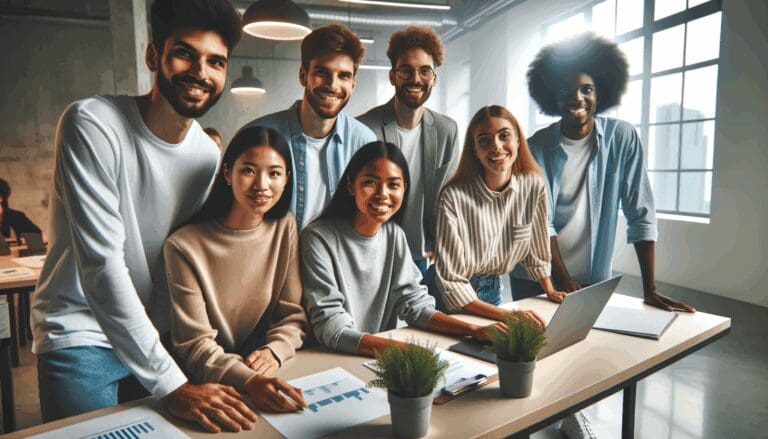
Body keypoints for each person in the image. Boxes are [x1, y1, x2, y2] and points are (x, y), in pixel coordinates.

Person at [30, 0, 260, 432]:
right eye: (185, 53)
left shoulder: (207, 155)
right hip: (81, 336)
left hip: (155, 335)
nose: (201, 72)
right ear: (154, 55)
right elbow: (102, 266)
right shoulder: (93, 123)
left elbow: (182, 254)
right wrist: (172, 384)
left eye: (216, 62)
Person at [301, 141, 528, 357]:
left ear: (404, 189)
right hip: (329, 359)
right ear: (351, 185)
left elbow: (416, 306)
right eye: (370, 182)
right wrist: (406, 351)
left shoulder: (394, 236)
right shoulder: (317, 238)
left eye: (393, 184)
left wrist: (473, 330)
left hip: (375, 355)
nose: (383, 193)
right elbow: (332, 328)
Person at [522, 32, 695, 313]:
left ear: (599, 92)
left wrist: (649, 290)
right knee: (538, 350)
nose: (577, 98)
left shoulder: (622, 137)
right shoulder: (535, 147)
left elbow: (640, 211)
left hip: (593, 276)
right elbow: (541, 222)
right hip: (537, 276)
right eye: (567, 91)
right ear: (554, 98)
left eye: (586, 89)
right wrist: (562, 278)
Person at [164, 125, 308, 414]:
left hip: (264, 370)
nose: (262, 186)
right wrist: (249, 379)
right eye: (249, 171)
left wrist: (275, 351)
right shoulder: (183, 245)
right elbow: (194, 345)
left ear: (287, 179)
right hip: (200, 382)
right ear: (227, 173)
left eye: (275, 173)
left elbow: (291, 315)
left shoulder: (285, 227)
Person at [432, 105, 558, 324]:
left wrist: (550, 290)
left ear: (518, 140)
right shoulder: (453, 197)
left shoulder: (533, 185)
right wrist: (507, 315)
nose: (496, 147)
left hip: (494, 288)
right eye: (484, 140)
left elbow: (536, 248)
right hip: (451, 296)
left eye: (504, 136)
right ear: (474, 150)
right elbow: (451, 282)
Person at [243, 24, 376, 230]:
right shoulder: (259, 135)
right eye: (322, 72)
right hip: (275, 259)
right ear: (303, 75)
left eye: (343, 76)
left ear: (353, 84)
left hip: (335, 260)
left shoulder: (364, 142)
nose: (333, 85)